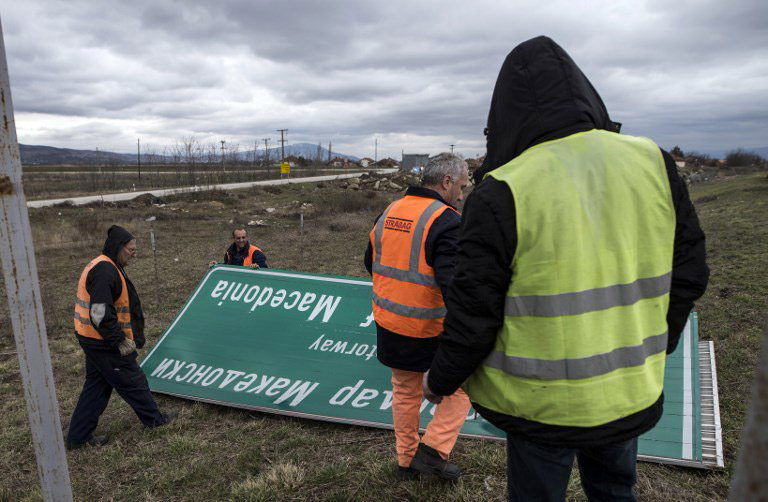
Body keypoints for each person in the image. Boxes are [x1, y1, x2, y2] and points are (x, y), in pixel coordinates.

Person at [423, 36, 709, 501]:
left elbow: (475, 310)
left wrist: (441, 378)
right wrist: (656, 344)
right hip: (627, 390)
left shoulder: (503, 189)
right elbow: (691, 271)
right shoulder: (653, 162)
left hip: (541, 406)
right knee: (616, 492)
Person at [364, 153, 472, 481]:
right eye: (462, 187)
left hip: (389, 323)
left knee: (405, 391)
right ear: (447, 182)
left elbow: (372, 262)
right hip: (428, 327)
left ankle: (406, 461)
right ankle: (434, 451)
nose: (463, 195)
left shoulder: (390, 210)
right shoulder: (447, 220)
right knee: (465, 388)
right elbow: (452, 283)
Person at [68, 225, 177, 450]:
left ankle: (78, 435)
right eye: (131, 250)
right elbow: (99, 313)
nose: (134, 254)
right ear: (118, 248)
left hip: (92, 338)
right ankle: (155, 420)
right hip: (103, 341)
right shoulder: (105, 272)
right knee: (133, 380)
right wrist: (119, 340)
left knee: (97, 386)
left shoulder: (105, 264)